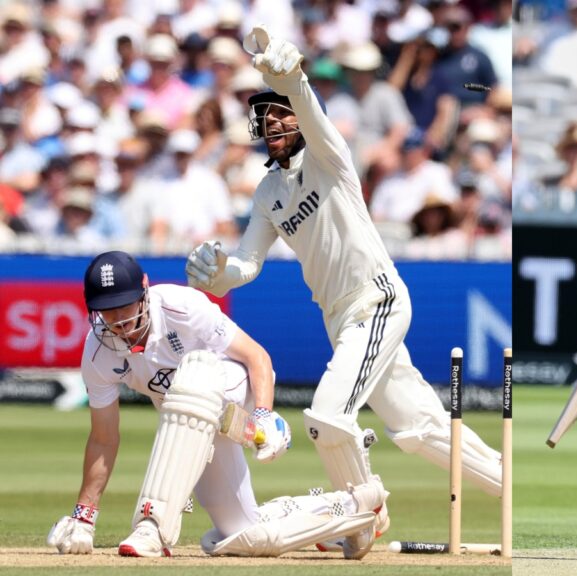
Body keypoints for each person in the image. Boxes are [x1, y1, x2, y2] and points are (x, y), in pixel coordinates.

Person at [184, 27, 503, 559]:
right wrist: (216, 272)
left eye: (283, 113)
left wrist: (291, 77)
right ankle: (511, 487)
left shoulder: (329, 156)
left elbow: (309, 108)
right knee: (418, 429)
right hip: (341, 319)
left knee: (329, 418)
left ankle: (365, 516)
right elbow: (247, 264)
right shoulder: (268, 193)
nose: (275, 123)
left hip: (376, 299)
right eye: (267, 117)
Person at [47, 251, 386, 558]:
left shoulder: (181, 307)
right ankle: (351, 506)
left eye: (125, 306)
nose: (118, 321)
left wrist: (265, 415)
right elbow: (104, 439)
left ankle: (152, 525)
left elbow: (257, 357)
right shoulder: (97, 353)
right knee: (249, 537)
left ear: (145, 290)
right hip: (190, 431)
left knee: (192, 381)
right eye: (107, 311)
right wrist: (83, 517)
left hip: (233, 387)